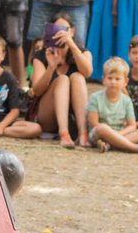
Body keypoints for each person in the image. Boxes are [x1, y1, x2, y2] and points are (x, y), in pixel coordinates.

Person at [28, 13, 94, 148]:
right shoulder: (41, 55)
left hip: (73, 116)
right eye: (57, 29)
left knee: (77, 77)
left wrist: (72, 45)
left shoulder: (82, 52)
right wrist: (51, 67)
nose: (61, 33)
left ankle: (83, 134)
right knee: (63, 79)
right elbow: (36, 91)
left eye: (65, 29)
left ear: (72, 31)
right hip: (46, 116)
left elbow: (87, 72)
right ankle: (64, 134)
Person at [86, 56, 138, 154]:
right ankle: (136, 148)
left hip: (120, 133)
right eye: (109, 78)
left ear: (125, 82)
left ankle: (110, 145)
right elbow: (94, 124)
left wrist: (116, 136)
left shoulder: (126, 101)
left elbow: (132, 125)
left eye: (117, 79)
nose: (113, 82)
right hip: (99, 135)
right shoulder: (95, 98)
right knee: (102, 128)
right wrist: (112, 135)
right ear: (103, 79)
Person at [0, 31, 41, 140]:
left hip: (2, 121)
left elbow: (15, 111)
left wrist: (0, 128)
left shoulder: (9, 79)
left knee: (35, 128)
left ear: (3, 55)